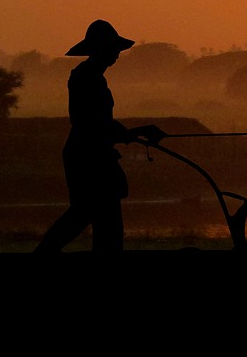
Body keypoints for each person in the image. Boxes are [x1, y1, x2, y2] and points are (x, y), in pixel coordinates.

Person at [35, 19, 165, 252]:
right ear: (101, 50)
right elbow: (92, 123)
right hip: (89, 157)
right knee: (92, 218)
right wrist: (135, 132)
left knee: (90, 217)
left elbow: (101, 122)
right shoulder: (87, 78)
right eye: (111, 48)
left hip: (90, 154)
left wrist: (135, 132)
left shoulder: (91, 76)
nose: (116, 53)